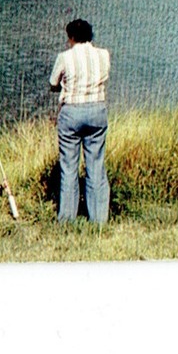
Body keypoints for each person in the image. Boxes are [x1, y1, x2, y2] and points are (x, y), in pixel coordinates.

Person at [50, 18, 111, 223]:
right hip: (97, 111)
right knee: (96, 166)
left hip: (72, 113)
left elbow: (53, 83)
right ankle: (99, 220)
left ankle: (67, 219)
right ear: (90, 35)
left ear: (71, 37)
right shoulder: (103, 55)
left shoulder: (64, 57)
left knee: (68, 167)